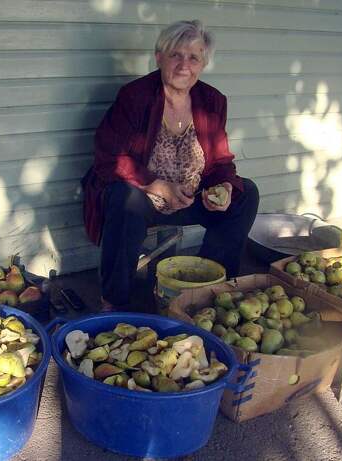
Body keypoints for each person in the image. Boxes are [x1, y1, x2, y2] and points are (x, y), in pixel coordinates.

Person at [81, 19, 259, 311]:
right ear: (159, 57)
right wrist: (157, 185)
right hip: (145, 200)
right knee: (124, 198)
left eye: (193, 57)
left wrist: (225, 186)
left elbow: (221, 161)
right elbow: (109, 156)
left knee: (246, 193)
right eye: (176, 54)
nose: (183, 64)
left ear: (203, 64)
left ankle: (210, 289)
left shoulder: (212, 101)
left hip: (190, 197)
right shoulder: (135, 96)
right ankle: (114, 301)